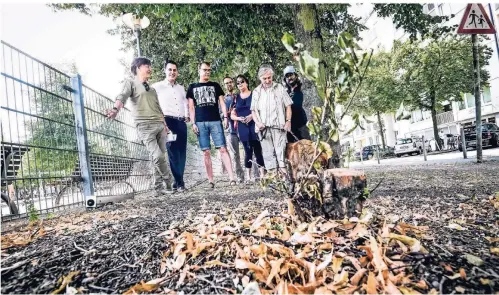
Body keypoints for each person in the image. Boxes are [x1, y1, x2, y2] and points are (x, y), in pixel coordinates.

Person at [106, 57, 172, 196]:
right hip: (144, 126)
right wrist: (115, 109)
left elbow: (158, 108)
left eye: (149, 66)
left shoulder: (152, 89)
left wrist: (165, 125)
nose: (149, 68)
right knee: (157, 156)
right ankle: (169, 182)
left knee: (159, 158)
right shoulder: (130, 83)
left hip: (160, 126)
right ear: (137, 68)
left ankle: (158, 188)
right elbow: (122, 96)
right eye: (146, 66)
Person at [187, 62, 236, 188]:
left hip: (215, 121)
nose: (207, 72)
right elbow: (191, 107)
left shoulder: (215, 85)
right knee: (206, 152)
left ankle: (232, 178)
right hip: (200, 122)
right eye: (204, 70)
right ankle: (211, 180)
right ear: (199, 70)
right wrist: (193, 123)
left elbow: (222, 103)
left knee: (223, 148)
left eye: (209, 70)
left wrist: (225, 117)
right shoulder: (192, 87)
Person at [251, 64, 293, 177]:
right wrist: (258, 123)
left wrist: (288, 121)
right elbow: (253, 111)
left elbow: (288, 105)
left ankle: (285, 179)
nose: (267, 80)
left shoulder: (279, 88)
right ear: (260, 78)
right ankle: (274, 180)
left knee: (281, 153)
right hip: (263, 128)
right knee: (268, 154)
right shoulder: (256, 91)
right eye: (264, 78)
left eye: (269, 77)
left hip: (279, 126)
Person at [152, 60, 188, 192]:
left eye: (174, 70)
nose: (172, 72)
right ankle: (179, 183)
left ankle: (178, 181)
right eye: (170, 70)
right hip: (167, 121)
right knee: (172, 153)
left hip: (181, 122)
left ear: (177, 72)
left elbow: (185, 103)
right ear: (165, 71)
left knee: (182, 153)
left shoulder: (181, 88)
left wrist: (187, 115)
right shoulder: (156, 87)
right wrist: (161, 121)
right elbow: (154, 105)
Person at [231, 74, 265, 182]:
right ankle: (249, 177)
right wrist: (239, 118)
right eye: (238, 83)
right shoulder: (236, 98)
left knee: (258, 149)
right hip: (242, 126)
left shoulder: (254, 94)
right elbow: (232, 115)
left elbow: (260, 108)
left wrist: (251, 116)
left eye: (242, 81)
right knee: (247, 150)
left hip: (254, 124)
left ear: (247, 82)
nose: (240, 84)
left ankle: (262, 175)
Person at [223, 76, 245, 182]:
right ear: (224, 85)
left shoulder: (239, 96)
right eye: (226, 83)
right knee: (235, 154)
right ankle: (240, 176)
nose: (229, 84)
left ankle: (253, 174)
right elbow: (221, 114)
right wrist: (228, 112)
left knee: (248, 150)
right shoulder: (222, 99)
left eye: (231, 82)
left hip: (242, 127)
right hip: (231, 130)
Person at [283, 66, 311, 143]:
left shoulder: (302, 89)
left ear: (295, 75)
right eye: (287, 76)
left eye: (291, 75)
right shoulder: (286, 93)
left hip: (301, 126)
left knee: (308, 148)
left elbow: (296, 106)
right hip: (290, 128)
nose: (289, 78)